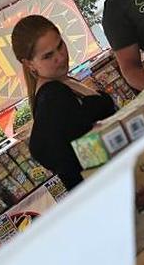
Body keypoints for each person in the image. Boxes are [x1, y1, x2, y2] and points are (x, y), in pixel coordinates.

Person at [11, 14, 115, 189]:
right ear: (29, 64)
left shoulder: (59, 86)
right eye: (48, 56)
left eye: (60, 45)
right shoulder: (54, 97)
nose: (60, 57)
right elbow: (85, 161)